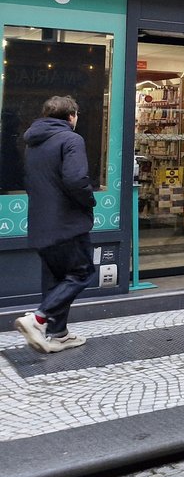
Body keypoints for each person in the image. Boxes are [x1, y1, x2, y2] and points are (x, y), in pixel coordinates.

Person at [12, 96, 96, 354]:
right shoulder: (71, 139)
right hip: (67, 223)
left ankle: (58, 334)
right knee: (81, 272)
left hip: (40, 222)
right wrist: (89, 200)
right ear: (71, 116)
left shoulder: (33, 143)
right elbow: (75, 179)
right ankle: (38, 319)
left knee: (56, 279)